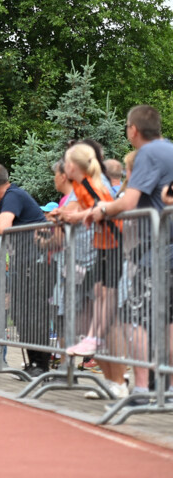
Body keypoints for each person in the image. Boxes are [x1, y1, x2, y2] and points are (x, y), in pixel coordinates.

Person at [90, 105, 173, 395]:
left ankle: (141, 390)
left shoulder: (148, 154)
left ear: (133, 130)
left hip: (153, 251)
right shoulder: (171, 150)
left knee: (133, 319)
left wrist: (103, 209)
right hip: (166, 249)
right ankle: (169, 388)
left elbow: (127, 203)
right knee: (169, 321)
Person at [57, 143, 128, 400]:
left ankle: (118, 381)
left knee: (108, 319)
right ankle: (111, 380)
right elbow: (84, 207)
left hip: (114, 248)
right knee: (95, 311)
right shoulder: (81, 185)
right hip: (100, 252)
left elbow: (102, 209)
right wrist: (68, 213)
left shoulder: (92, 183)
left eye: (65, 161)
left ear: (73, 166)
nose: (63, 166)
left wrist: (77, 217)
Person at [0, 162, 53, 377]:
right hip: (26, 262)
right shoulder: (10, 196)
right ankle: (34, 364)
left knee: (33, 315)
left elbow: (2, 226)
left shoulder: (14, 195)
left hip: (37, 263)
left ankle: (41, 365)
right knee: (22, 314)